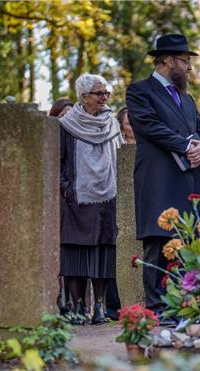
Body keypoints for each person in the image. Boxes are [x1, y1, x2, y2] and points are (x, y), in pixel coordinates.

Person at [126, 34, 200, 323]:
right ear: (168, 60)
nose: (189, 69)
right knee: (157, 245)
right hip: (159, 182)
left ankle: (181, 308)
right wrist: (188, 146)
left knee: (185, 246)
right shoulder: (140, 91)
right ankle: (157, 311)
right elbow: (149, 126)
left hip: (188, 184)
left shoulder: (187, 99)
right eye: (186, 62)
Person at [59, 73, 123, 325]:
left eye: (107, 93)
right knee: (75, 254)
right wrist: (68, 190)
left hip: (107, 196)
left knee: (103, 254)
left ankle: (99, 307)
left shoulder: (112, 124)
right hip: (77, 200)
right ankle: (76, 307)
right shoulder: (66, 125)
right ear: (84, 96)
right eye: (99, 93)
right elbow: (58, 162)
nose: (105, 97)